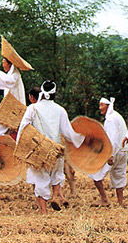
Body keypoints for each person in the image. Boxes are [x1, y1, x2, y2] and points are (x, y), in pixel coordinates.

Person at [18, 81, 85, 213]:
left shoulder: (33, 108)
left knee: (41, 178)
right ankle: (55, 196)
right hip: (56, 149)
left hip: (39, 150)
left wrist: (19, 145)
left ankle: (44, 211)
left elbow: (23, 127)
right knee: (58, 175)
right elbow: (67, 132)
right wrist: (81, 141)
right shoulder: (60, 110)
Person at [89, 97, 128, 207]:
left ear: (107, 106)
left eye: (102, 105)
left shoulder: (110, 119)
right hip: (122, 151)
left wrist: (110, 155)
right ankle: (120, 203)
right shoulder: (117, 116)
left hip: (114, 152)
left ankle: (104, 199)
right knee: (119, 175)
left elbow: (113, 138)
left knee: (94, 173)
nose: (100, 108)